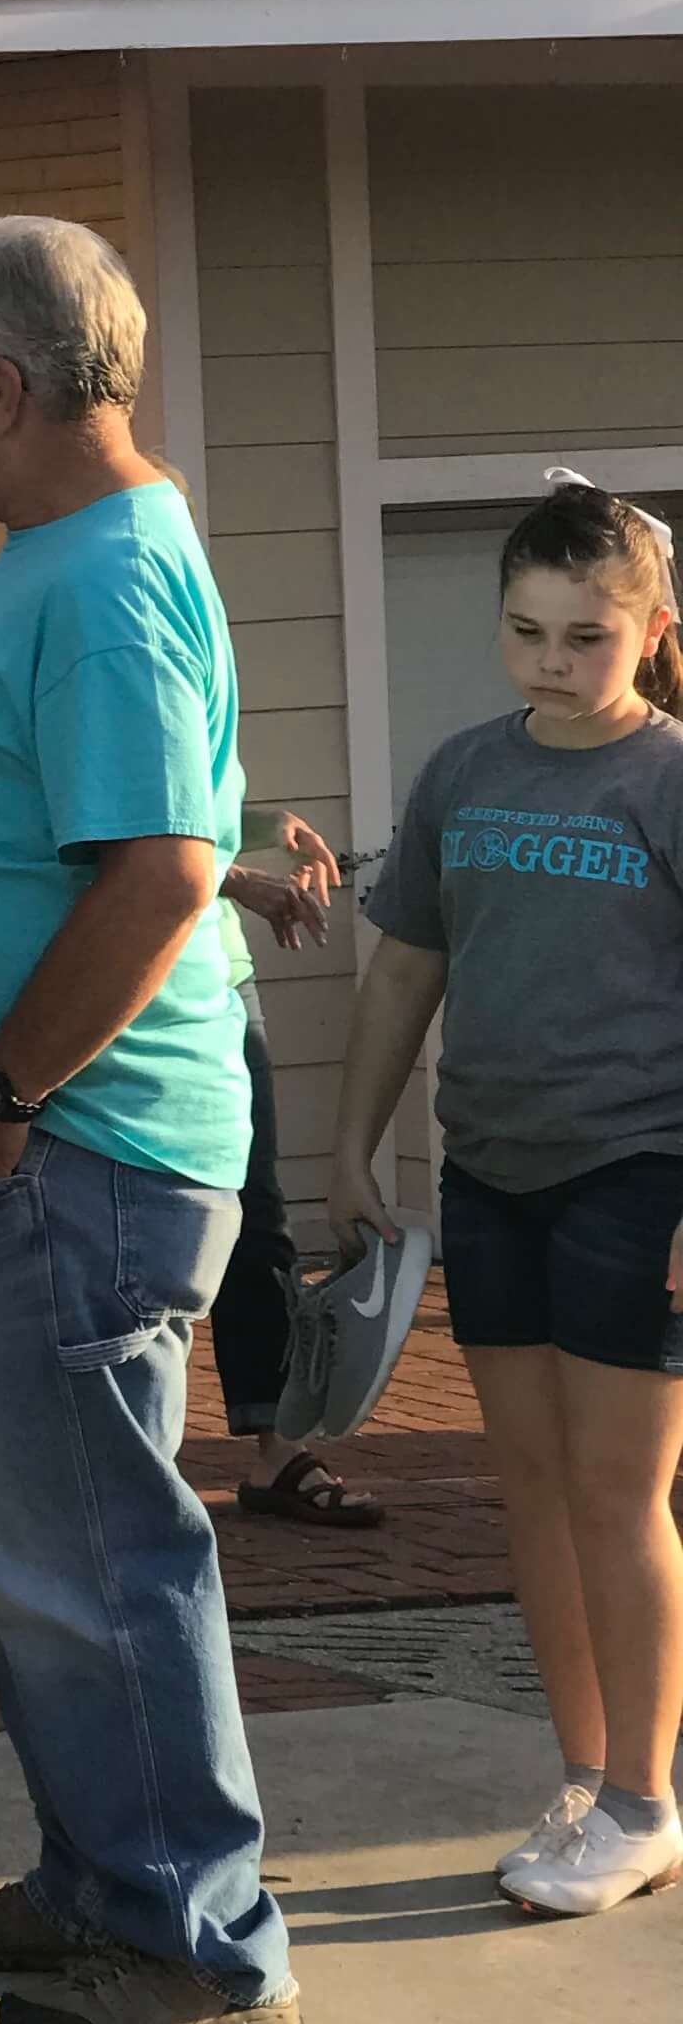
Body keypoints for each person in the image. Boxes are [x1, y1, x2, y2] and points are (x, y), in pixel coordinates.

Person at [0, 215, 297, 2024]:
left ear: (6, 387)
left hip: (68, 1150)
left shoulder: (98, 579)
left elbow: (161, 871)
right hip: (57, 1152)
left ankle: (191, 1929)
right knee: (50, 1543)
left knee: (98, 1545)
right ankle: (99, 1879)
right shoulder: (69, 556)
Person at [329, 481, 683, 1915]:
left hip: (638, 1171)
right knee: (532, 1493)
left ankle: (649, 1801)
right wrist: (350, 1144)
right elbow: (407, 964)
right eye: (527, 631)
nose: (553, 660)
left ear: (652, 631)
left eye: (587, 636)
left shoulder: (668, 779)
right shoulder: (464, 774)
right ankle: (589, 1780)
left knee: (620, 1492)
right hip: (492, 1170)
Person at [211, 806, 386, 1531]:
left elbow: (196, 817)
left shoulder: (200, 693)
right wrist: (240, 882)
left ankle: (279, 1449)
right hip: (112, 988)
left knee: (256, 1217)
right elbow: (117, 838)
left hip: (221, 988)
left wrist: (273, 825)